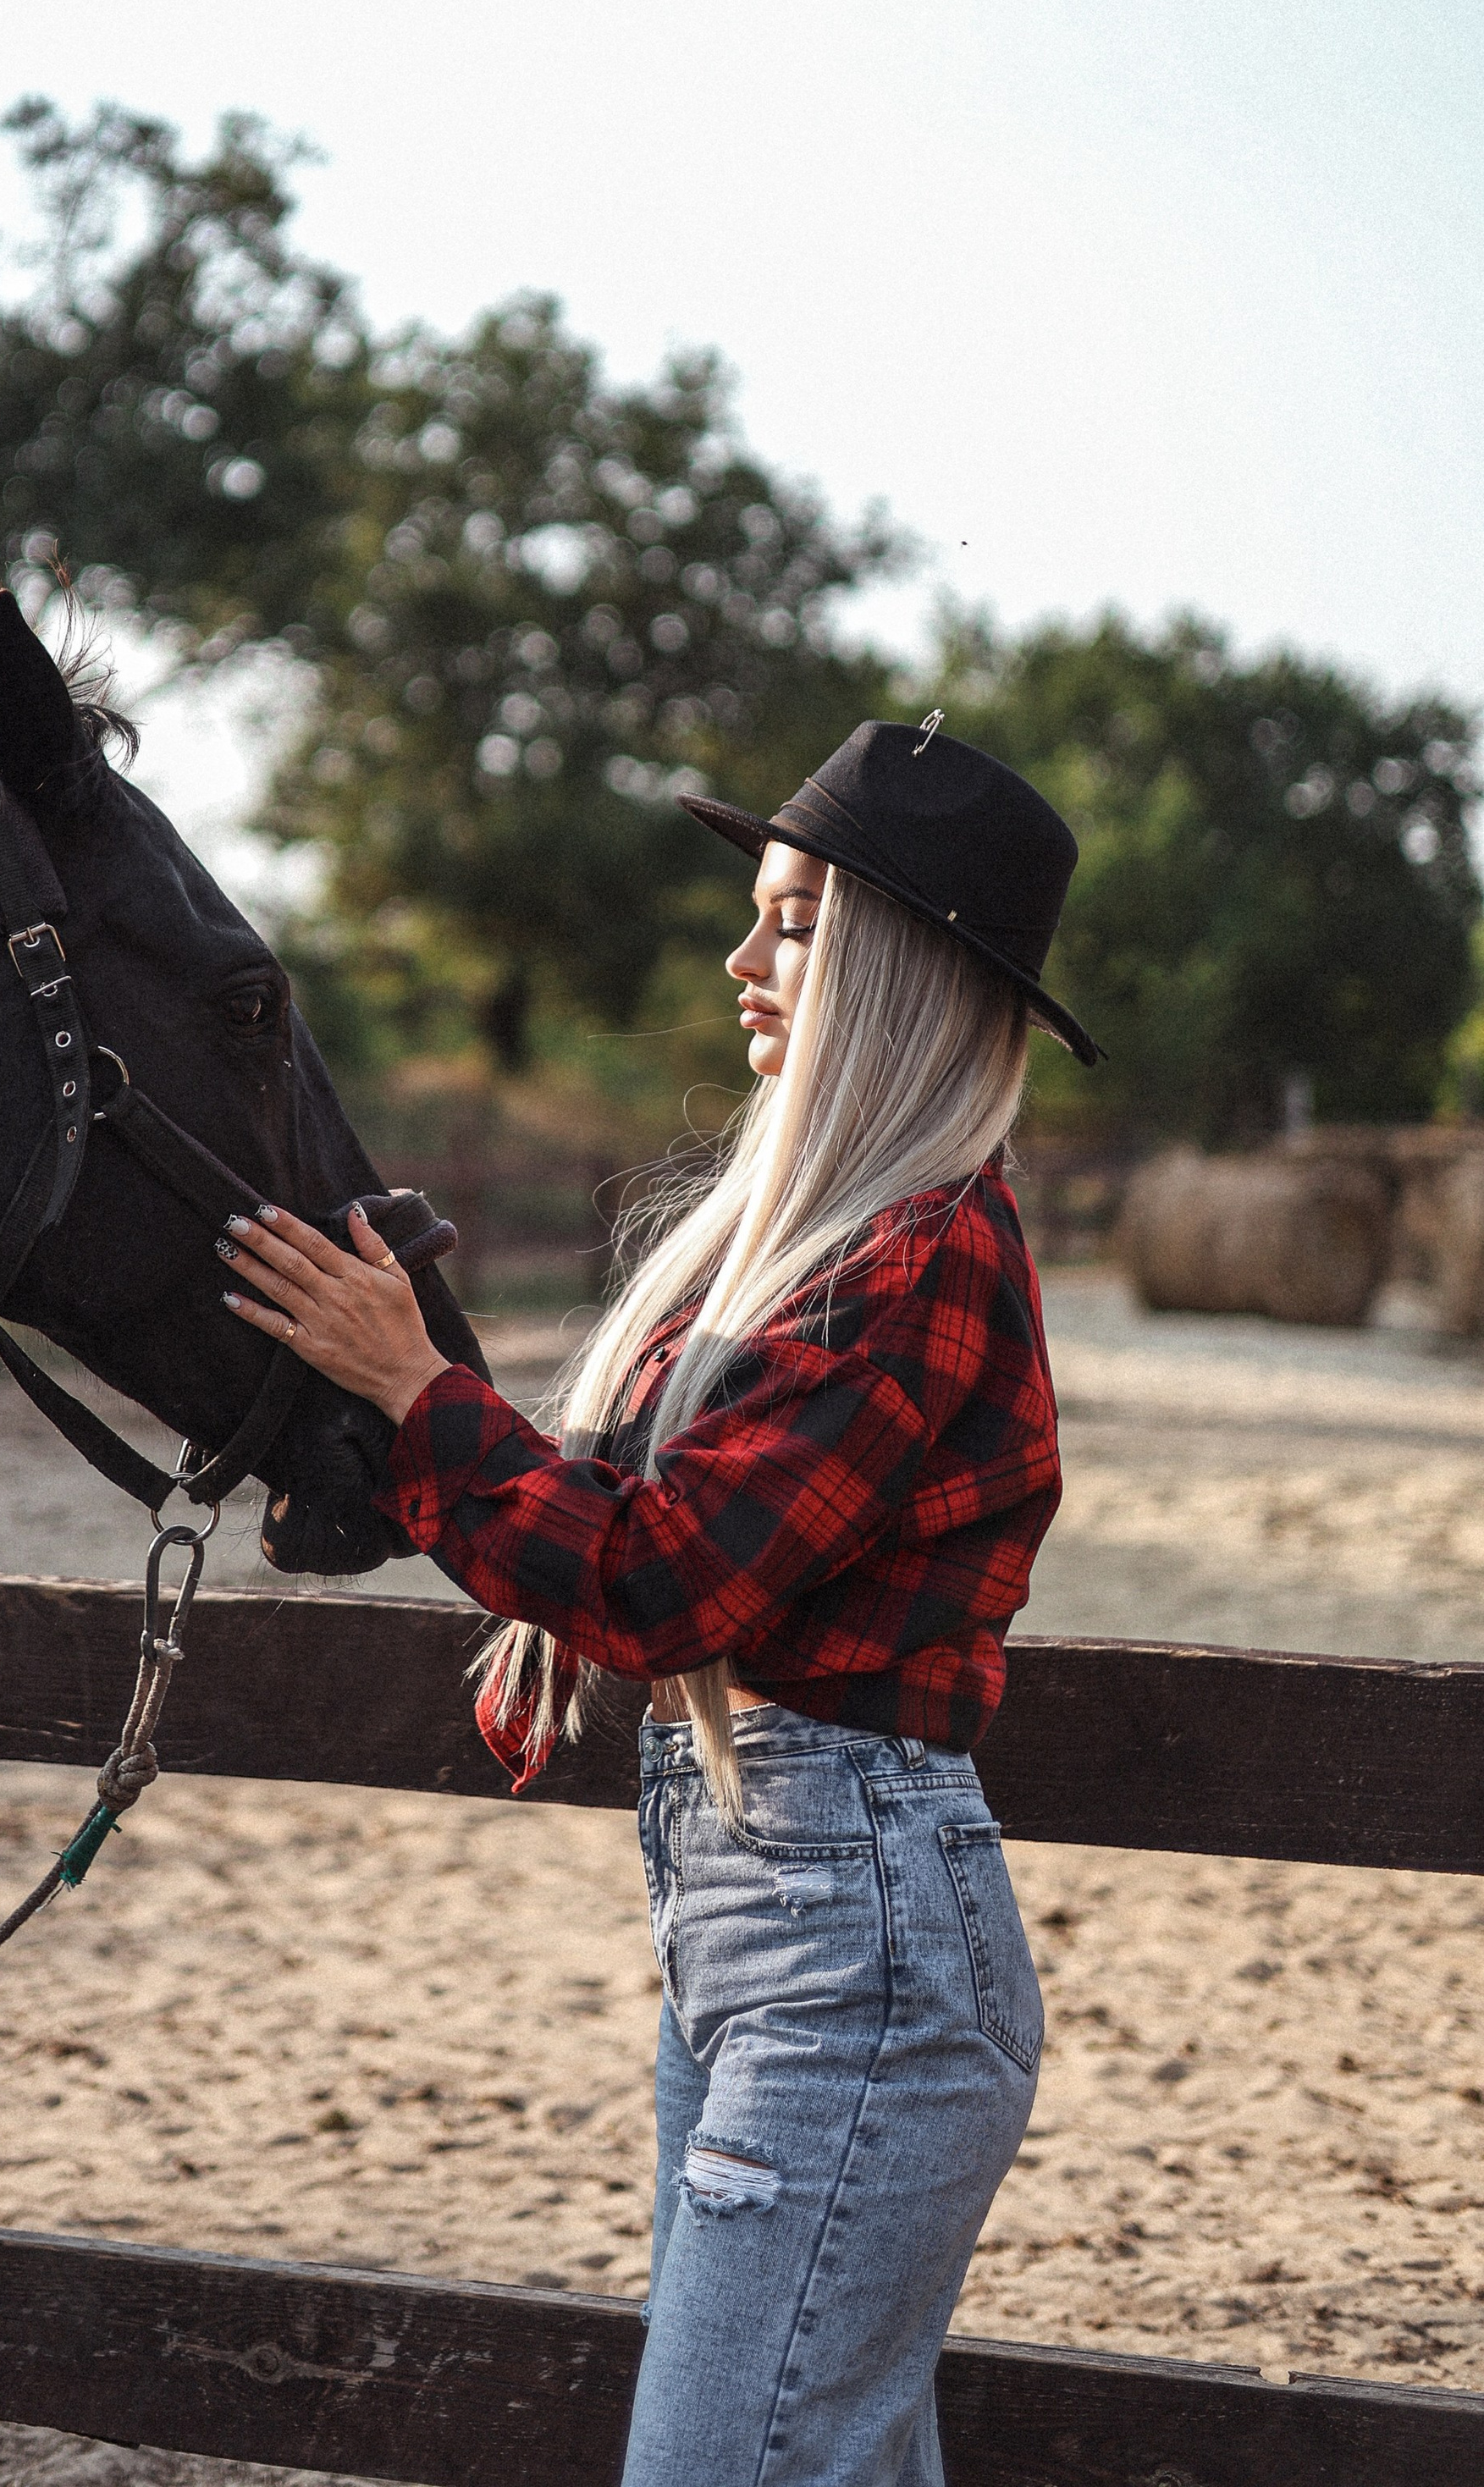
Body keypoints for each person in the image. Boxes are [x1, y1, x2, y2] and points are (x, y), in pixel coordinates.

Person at [218, 719, 1098, 2487]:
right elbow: (634, 1529)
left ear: (889, 967)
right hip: (765, 1932)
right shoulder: (821, 1242)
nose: (738, 959)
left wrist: (413, 1393)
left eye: (786, 923)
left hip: (854, 1959)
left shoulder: (923, 1254)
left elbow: (666, 1575)